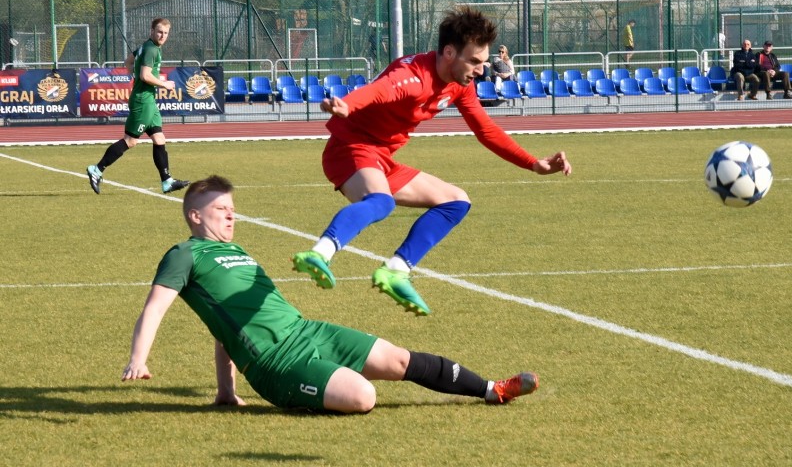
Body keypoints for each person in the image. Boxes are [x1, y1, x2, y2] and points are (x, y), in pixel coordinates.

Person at [121, 175, 539, 414]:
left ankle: (491, 389)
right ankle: (310, 387)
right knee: (363, 396)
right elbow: (155, 307)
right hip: (275, 365)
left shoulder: (236, 251)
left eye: (232, 208)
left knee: (398, 359)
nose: (231, 215)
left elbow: (223, 328)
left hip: (308, 331)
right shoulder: (184, 254)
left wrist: (225, 391)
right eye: (220, 210)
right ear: (195, 216)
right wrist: (138, 360)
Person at [292, 5, 571, 316]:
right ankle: (319, 253)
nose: (481, 69)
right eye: (474, 61)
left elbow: (485, 129)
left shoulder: (458, 86)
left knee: (456, 201)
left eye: (483, 62)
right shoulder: (413, 76)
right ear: (449, 52)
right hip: (351, 147)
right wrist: (347, 105)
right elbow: (379, 91)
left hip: (381, 157)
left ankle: (396, 270)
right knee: (381, 202)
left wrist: (533, 163)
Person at [86, 18, 189, 195]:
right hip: (143, 101)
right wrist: (164, 84)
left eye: (165, 33)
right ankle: (97, 169)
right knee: (130, 141)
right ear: (151, 31)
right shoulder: (151, 49)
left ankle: (167, 181)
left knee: (159, 139)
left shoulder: (147, 47)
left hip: (148, 100)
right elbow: (145, 75)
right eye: (159, 32)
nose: (162, 36)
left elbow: (128, 61)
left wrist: (134, 75)